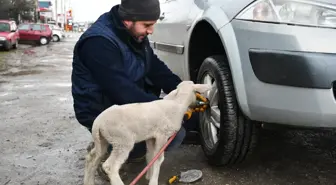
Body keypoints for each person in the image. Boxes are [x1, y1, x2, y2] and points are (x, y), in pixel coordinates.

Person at [71, 0, 200, 175]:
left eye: (153, 24)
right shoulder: (98, 43)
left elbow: (157, 70)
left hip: (124, 102)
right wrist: (172, 111)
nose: (151, 30)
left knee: (173, 130)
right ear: (127, 20)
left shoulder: (135, 36)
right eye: (147, 25)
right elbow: (122, 91)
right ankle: (106, 151)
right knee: (169, 132)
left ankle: (128, 150)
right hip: (102, 109)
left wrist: (187, 94)